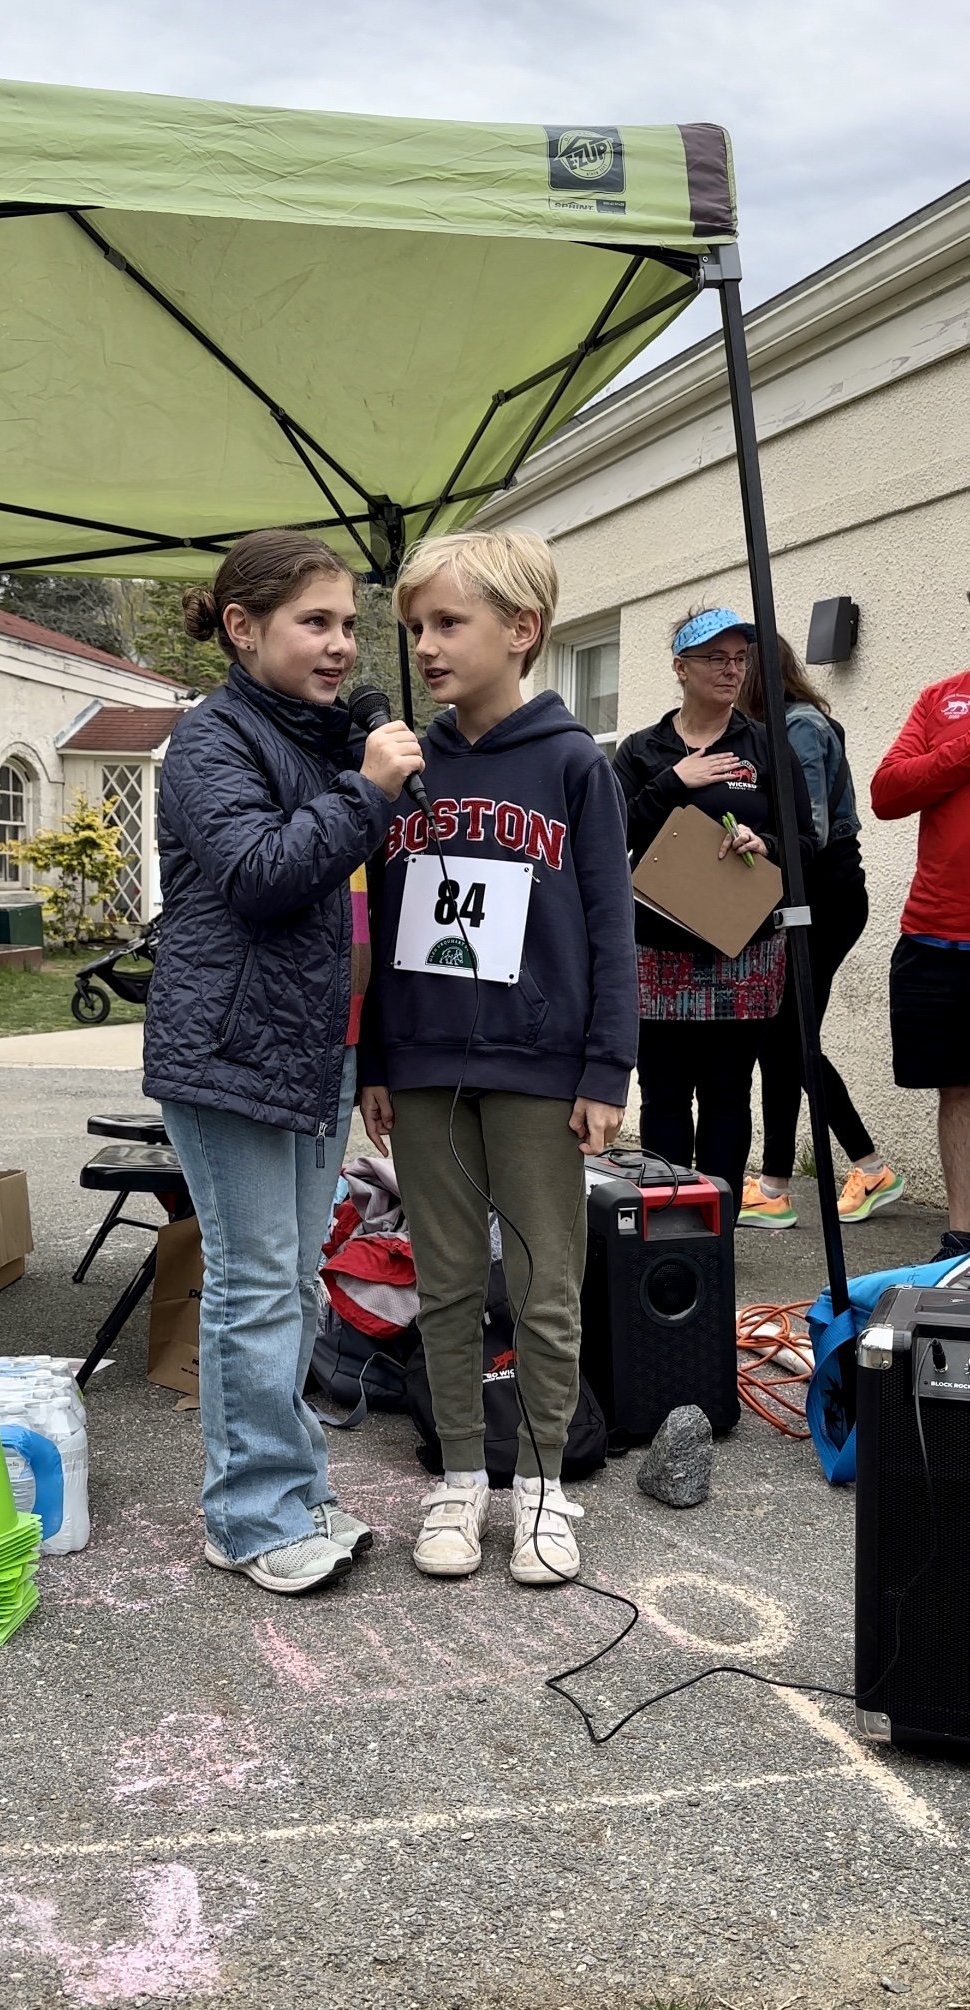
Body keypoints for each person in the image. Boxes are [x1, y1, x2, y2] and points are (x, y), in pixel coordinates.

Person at [142, 530, 424, 1597]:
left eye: (351, 624)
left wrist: (368, 782)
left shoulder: (320, 742)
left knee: (293, 1287)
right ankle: (249, 1518)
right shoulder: (212, 741)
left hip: (315, 1056)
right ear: (243, 627)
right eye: (317, 622)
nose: (343, 644)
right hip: (230, 1059)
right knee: (257, 1290)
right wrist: (366, 791)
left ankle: (295, 1488)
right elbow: (261, 874)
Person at [359, 530, 638, 1588]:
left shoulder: (575, 764)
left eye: (448, 623)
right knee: (442, 1281)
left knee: (542, 1283)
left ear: (521, 632)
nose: (426, 646)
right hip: (424, 1068)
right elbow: (380, 926)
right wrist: (374, 1059)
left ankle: (542, 1486)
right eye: (416, 628)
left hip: (540, 1069)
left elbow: (612, 926)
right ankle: (460, 1479)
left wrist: (606, 1067)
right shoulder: (406, 770)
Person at [612, 608, 815, 1211]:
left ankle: (719, 1226)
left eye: (739, 658)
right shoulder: (643, 750)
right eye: (715, 658)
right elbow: (606, 834)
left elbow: (806, 843)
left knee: (728, 1095)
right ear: (680, 667)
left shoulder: (765, 745)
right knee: (664, 1096)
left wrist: (766, 845)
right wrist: (674, 780)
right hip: (658, 951)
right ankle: (668, 1225)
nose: (731, 670)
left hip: (740, 949)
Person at [737, 635, 903, 1229]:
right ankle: (776, 1186)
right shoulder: (778, 726)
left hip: (824, 898)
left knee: (791, 1037)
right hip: (799, 897)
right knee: (781, 1039)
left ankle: (869, 1167)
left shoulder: (800, 726)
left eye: (738, 664)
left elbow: (808, 828)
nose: (729, 676)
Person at [871, 654, 970, 1262]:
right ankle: (962, 1239)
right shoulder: (941, 700)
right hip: (935, 938)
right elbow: (887, 793)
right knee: (957, 1092)